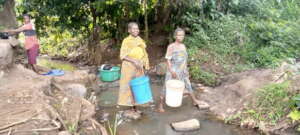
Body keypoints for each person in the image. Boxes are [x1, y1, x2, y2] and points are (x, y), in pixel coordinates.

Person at [158, 28, 208, 113]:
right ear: (175, 36)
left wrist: (186, 69)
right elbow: (168, 60)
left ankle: (195, 101)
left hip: (182, 70)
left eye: (182, 35)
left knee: (188, 85)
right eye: (179, 35)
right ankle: (160, 105)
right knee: (166, 87)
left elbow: (185, 59)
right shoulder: (171, 46)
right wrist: (171, 71)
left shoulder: (183, 46)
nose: (181, 37)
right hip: (173, 70)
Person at [118, 22, 150, 116]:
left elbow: (144, 53)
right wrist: (134, 61)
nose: (136, 30)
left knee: (138, 87)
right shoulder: (126, 41)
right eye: (133, 28)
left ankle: (136, 107)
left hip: (139, 67)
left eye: (137, 28)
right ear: (129, 30)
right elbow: (123, 55)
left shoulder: (140, 40)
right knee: (129, 87)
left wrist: (144, 64)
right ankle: (131, 108)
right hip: (129, 67)